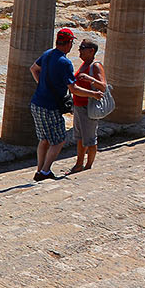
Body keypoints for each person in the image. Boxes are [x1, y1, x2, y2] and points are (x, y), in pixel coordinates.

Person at [30, 27, 78, 180]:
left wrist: (41, 84)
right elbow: (73, 88)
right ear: (69, 42)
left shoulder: (47, 54)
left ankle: (39, 170)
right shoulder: (65, 62)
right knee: (59, 140)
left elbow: (34, 69)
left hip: (36, 103)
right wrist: (93, 94)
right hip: (50, 107)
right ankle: (45, 171)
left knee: (43, 139)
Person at [69, 38, 108, 172]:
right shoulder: (85, 64)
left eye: (82, 48)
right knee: (80, 138)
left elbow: (103, 86)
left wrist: (90, 79)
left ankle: (88, 166)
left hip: (88, 107)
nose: (79, 51)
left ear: (91, 51)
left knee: (90, 138)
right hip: (79, 106)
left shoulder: (95, 66)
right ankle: (79, 164)